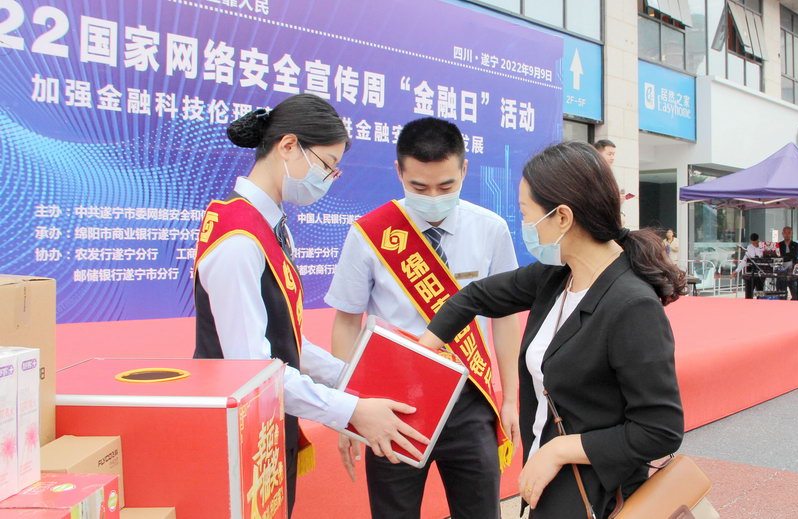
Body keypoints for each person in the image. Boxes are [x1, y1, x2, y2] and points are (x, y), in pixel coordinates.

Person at [418, 141, 685, 518]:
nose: (525, 225)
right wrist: (424, 351)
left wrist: (559, 450)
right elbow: (474, 296)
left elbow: (659, 430)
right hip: (550, 487)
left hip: (596, 496)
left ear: (562, 217)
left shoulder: (631, 306)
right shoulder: (558, 275)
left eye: (526, 213)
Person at [192, 94, 428, 517]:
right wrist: (352, 410)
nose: (329, 179)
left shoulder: (268, 226)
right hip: (238, 435)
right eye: (326, 165)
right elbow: (254, 373)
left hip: (265, 425)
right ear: (288, 146)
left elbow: (285, 339)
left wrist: (351, 379)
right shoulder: (239, 240)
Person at [325, 117, 522, 519]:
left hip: (471, 398)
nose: (433, 197)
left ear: (464, 169)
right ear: (399, 172)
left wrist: (511, 399)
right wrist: (347, 407)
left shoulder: (491, 230)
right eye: (419, 187)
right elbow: (346, 321)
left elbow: (503, 320)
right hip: (392, 406)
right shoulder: (370, 233)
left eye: (446, 186)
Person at [733, 233, 764, 299]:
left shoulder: (763, 246)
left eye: (756, 242)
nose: (755, 244)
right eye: (753, 243)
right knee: (749, 292)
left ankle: (760, 301)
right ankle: (748, 302)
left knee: (760, 291)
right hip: (750, 271)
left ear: (758, 240)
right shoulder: (749, 247)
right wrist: (737, 270)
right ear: (751, 241)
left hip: (760, 271)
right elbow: (745, 260)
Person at [777, 226, 798, 300]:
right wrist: (786, 257)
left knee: (795, 293)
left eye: (789, 233)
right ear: (782, 234)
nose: (787, 234)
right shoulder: (778, 245)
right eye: (785, 233)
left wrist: (784, 257)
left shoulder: (796, 245)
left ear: (792, 234)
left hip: (792, 271)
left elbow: (794, 256)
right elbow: (778, 256)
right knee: (781, 293)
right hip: (781, 271)